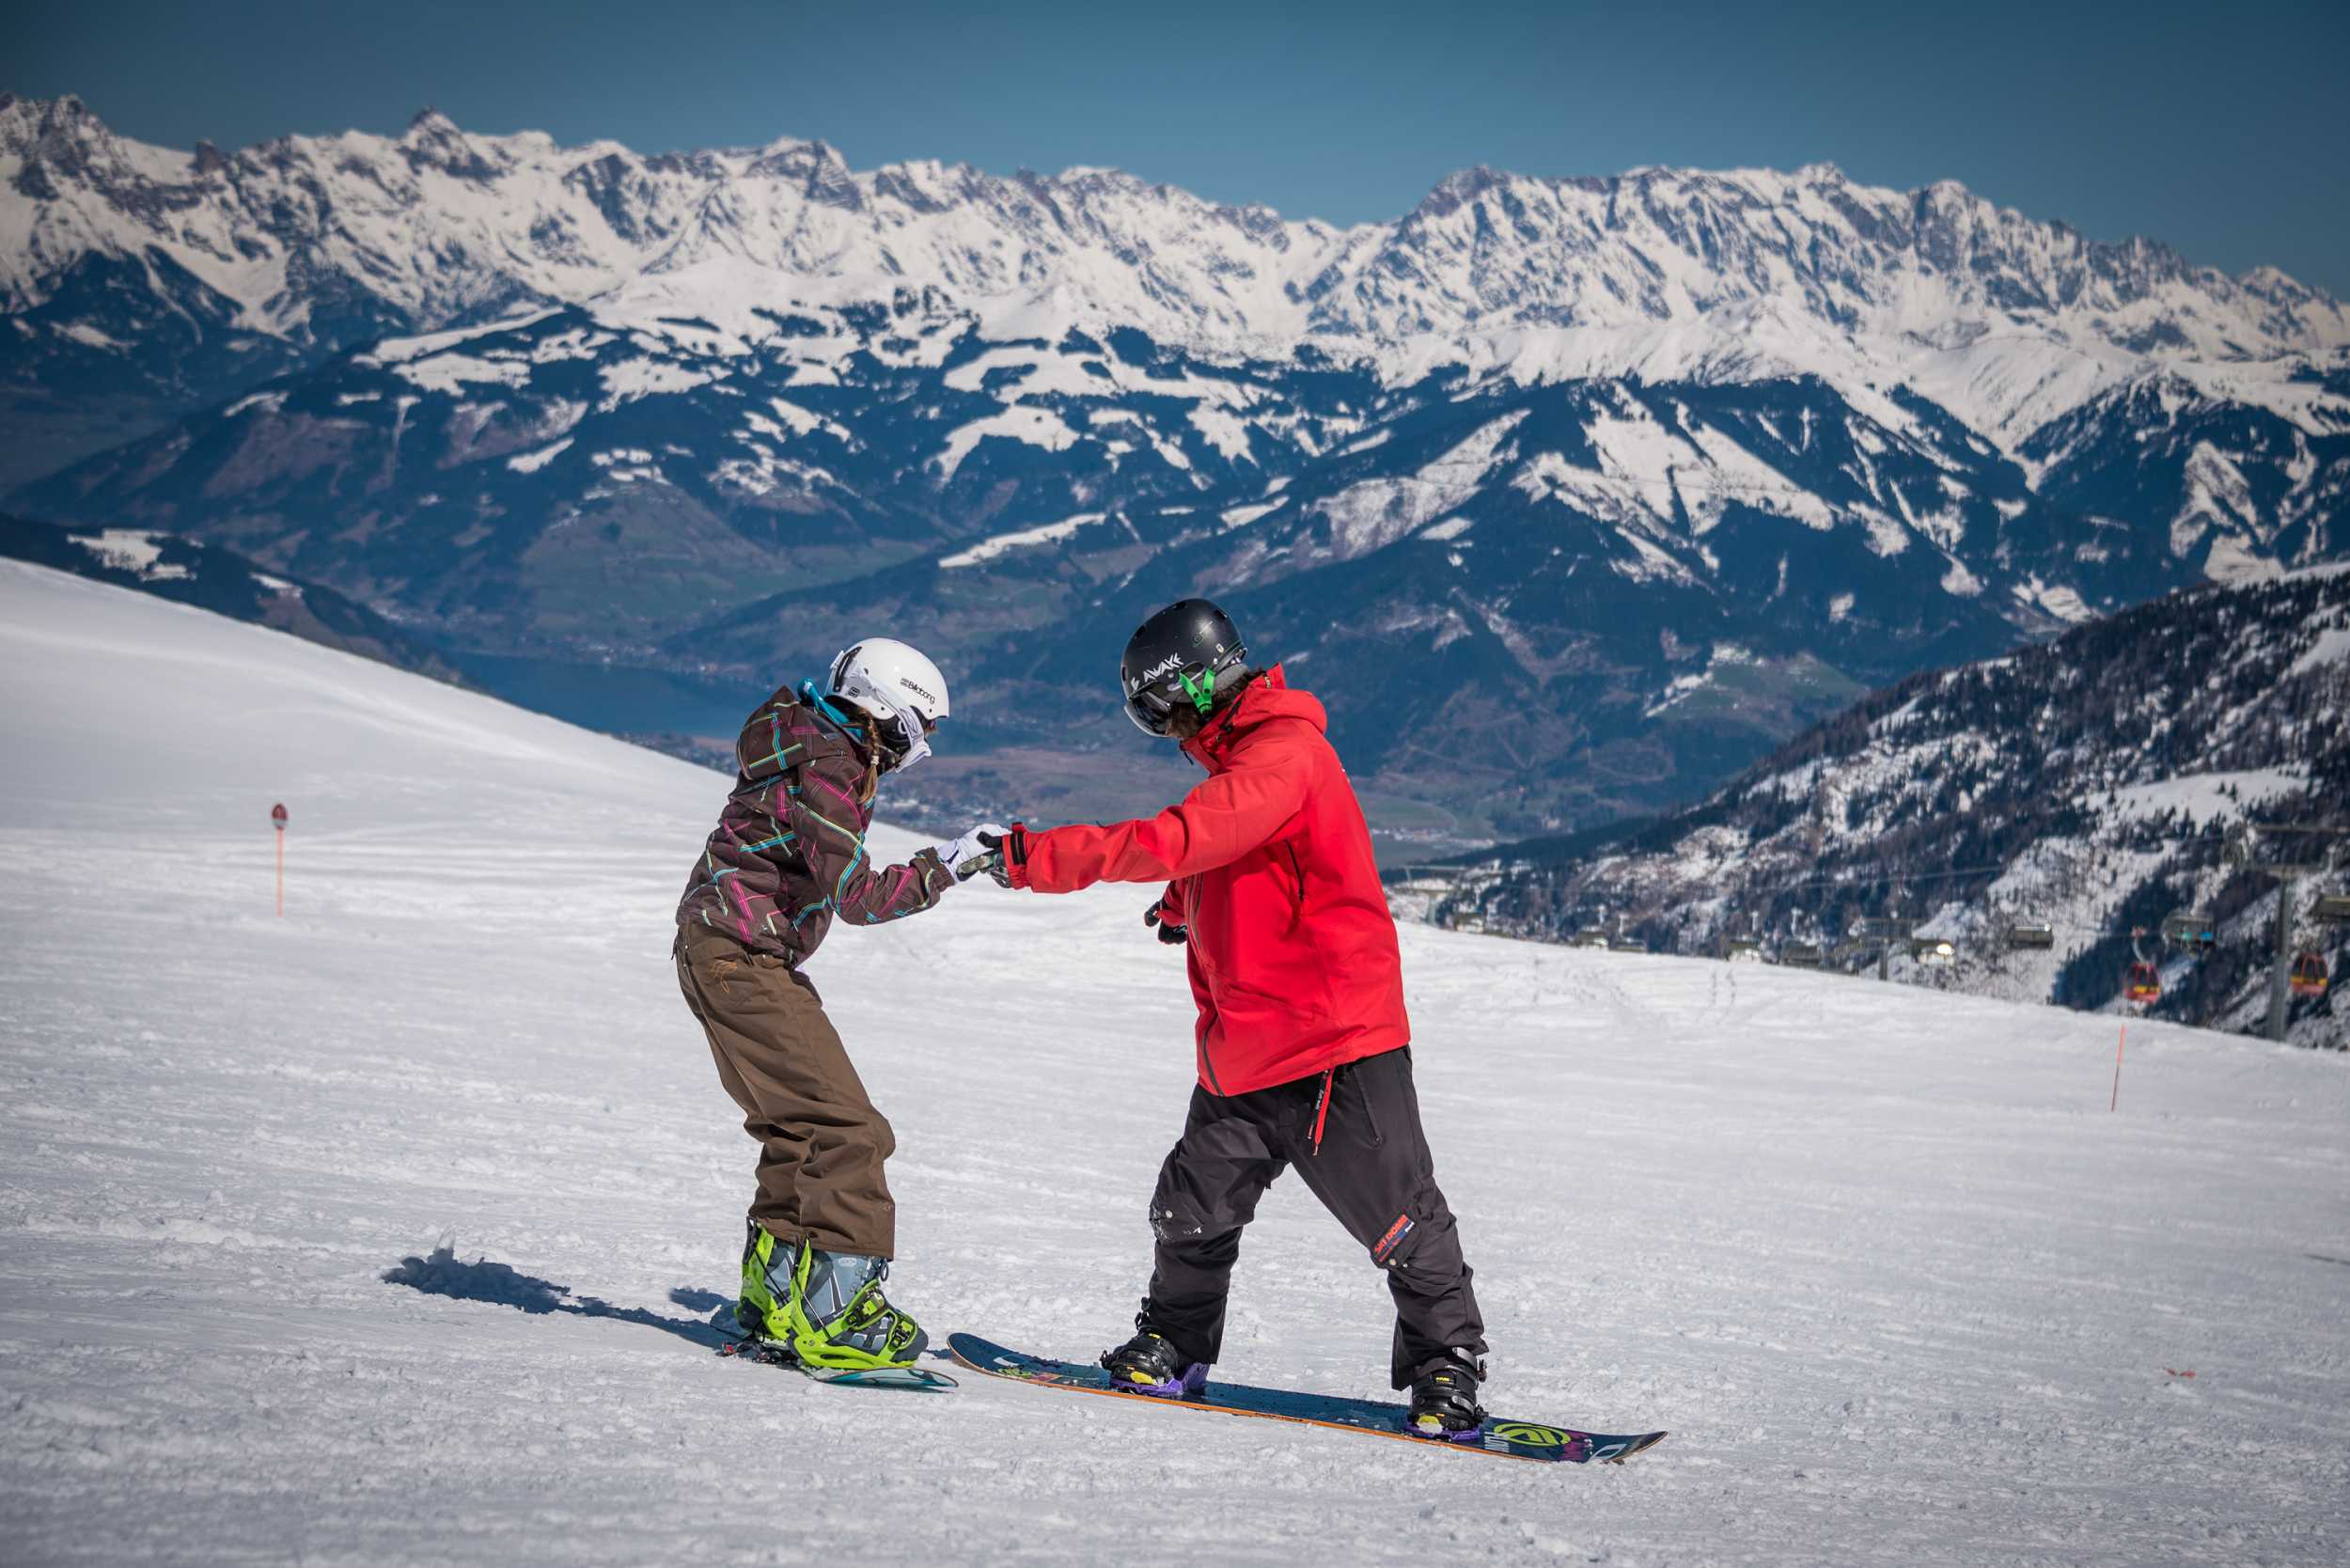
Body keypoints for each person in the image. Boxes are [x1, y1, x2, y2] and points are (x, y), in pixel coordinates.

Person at [975, 600, 1492, 1437]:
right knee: (1190, 1206)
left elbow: (1188, 835)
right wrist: (1186, 904)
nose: (1166, 727)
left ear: (1205, 684)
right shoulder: (1242, 761)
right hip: (1244, 1049)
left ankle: (1449, 1370)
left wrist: (1034, 858)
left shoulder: (1284, 756)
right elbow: (1231, 849)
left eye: (1167, 709)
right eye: (1152, 718)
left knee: (1401, 1218)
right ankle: (1174, 1346)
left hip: (1336, 1044)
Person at [676, 637, 1002, 1372]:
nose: (920, 749)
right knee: (851, 1129)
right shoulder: (830, 766)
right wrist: (949, 864)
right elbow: (858, 896)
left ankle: (772, 1299)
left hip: (720, 949)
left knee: (797, 1128)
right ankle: (839, 1317)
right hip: (742, 957)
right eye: (923, 730)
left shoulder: (805, 738)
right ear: (891, 712)